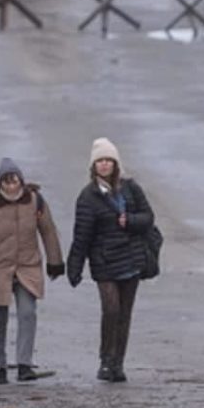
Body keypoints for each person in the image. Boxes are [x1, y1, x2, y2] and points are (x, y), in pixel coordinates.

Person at [0, 158, 65, 384]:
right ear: (0, 183)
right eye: (7, 182)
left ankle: (24, 364)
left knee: (28, 314)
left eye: (15, 181)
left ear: (21, 180)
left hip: (27, 266)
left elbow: (48, 231)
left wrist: (55, 262)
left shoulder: (34, 200)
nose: (11, 186)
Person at [66, 138, 156, 383]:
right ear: (93, 166)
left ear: (116, 163)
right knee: (111, 310)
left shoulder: (131, 188)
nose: (104, 165)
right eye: (100, 161)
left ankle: (118, 364)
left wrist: (131, 221)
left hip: (131, 260)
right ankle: (106, 360)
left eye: (108, 160)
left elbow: (148, 217)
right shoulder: (88, 197)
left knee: (124, 314)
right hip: (104, 262)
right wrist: (74, 267)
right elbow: (82, 235)